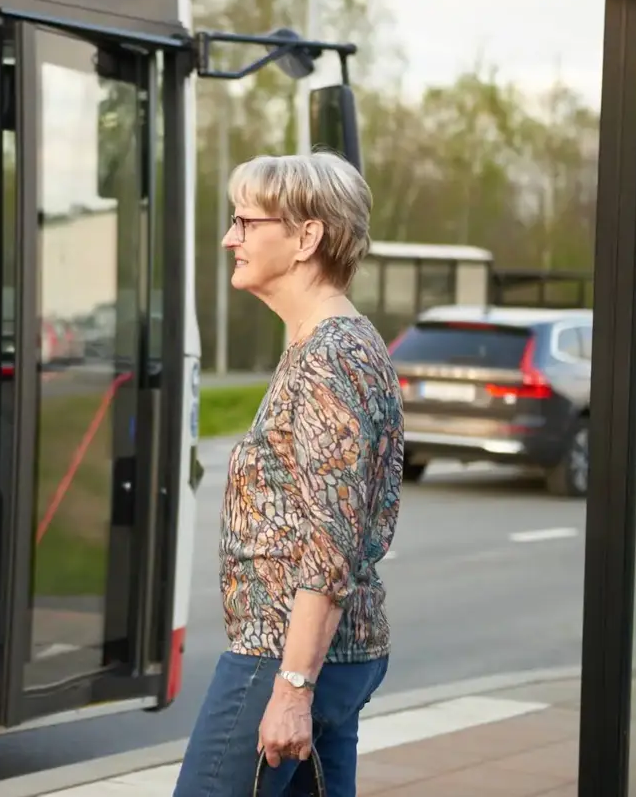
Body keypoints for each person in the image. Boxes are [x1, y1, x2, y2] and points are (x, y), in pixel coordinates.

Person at [173, 152, 403, 797]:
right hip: (326, 652)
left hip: (284, 654)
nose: (230, 238)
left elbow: (330, 541)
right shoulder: (327, 344)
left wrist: (293, 688)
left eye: (246, 221)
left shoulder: (330, 356)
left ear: (307, 237)